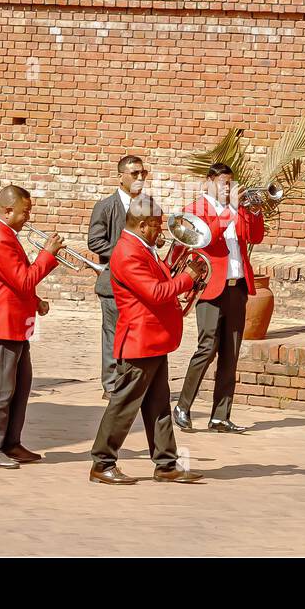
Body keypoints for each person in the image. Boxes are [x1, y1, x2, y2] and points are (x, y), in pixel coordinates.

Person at [90, 195, 204, 485]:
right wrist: (188, 278)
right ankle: (102, 462)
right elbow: (155, 292)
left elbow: (160, 279)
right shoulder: (128, 252)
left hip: (153, 339)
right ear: (142, 225)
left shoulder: (143, 248)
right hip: (139, 340)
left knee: (158, 405)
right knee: (124, 404)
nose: (160, 232)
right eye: (156, 225)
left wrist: (175, 264)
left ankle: (166, 463)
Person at [172, 162, 264, 434]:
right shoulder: (195, 210)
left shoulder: (237, 210)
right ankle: (183, 406)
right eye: (223, 182)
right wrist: (228, 211)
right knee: (207, 348)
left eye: (230, 182)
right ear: (209, 182)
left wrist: (253, 212)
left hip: (237, 287)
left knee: (231, 353)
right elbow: (205, 238)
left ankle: (220, 416)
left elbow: (254, 236)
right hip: (210, 287)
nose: (228, 187)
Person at [0, 185, 60, 469]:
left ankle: (11, 442)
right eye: (25, 212)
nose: (28, 217)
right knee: (1, 389)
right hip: (1, 323)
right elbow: (22, 279)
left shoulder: (6, 234)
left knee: (20, 386)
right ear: (8, 210)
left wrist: (35, 302)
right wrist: (47, 256)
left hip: (16, 321)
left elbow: (12, 282)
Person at [87, 155, 148, 397]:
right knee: (112, 333)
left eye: (143, 173)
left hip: (140, 283)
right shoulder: (105, 206)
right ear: (120, 176)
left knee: (135, 333)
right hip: (112, 281)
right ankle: (111, 384)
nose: (140, 178)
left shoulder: (147, 205)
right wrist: (126, 252)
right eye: (134, 174)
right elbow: (94, 241)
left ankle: (131, 379)